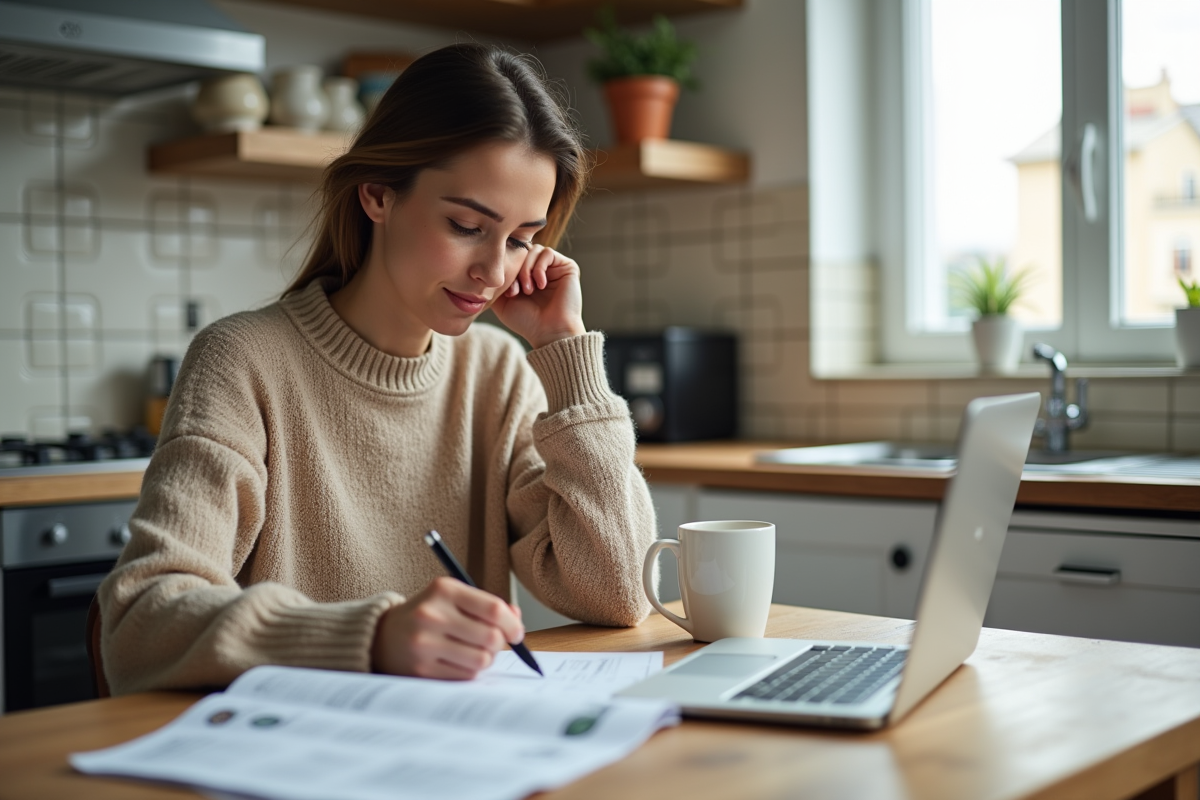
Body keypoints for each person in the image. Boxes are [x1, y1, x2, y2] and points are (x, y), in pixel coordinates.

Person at [98, 44, 656, 695]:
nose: (494, 272)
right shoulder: (244, 361)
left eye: (521, 240)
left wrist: (565, 350)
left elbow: (620, 593)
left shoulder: (499, 372)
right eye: (466, 225)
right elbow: (139, 623)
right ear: (377, 196)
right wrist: (371, 637)